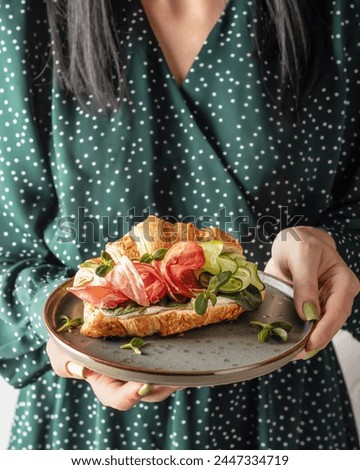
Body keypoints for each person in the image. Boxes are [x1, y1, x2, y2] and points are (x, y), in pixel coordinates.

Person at [0, 0, 359, 450]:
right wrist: (54, 322)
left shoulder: (337, 14)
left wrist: (332, 246)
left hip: (284, 404)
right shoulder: (23, 16)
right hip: (84, 420)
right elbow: (5, 251)